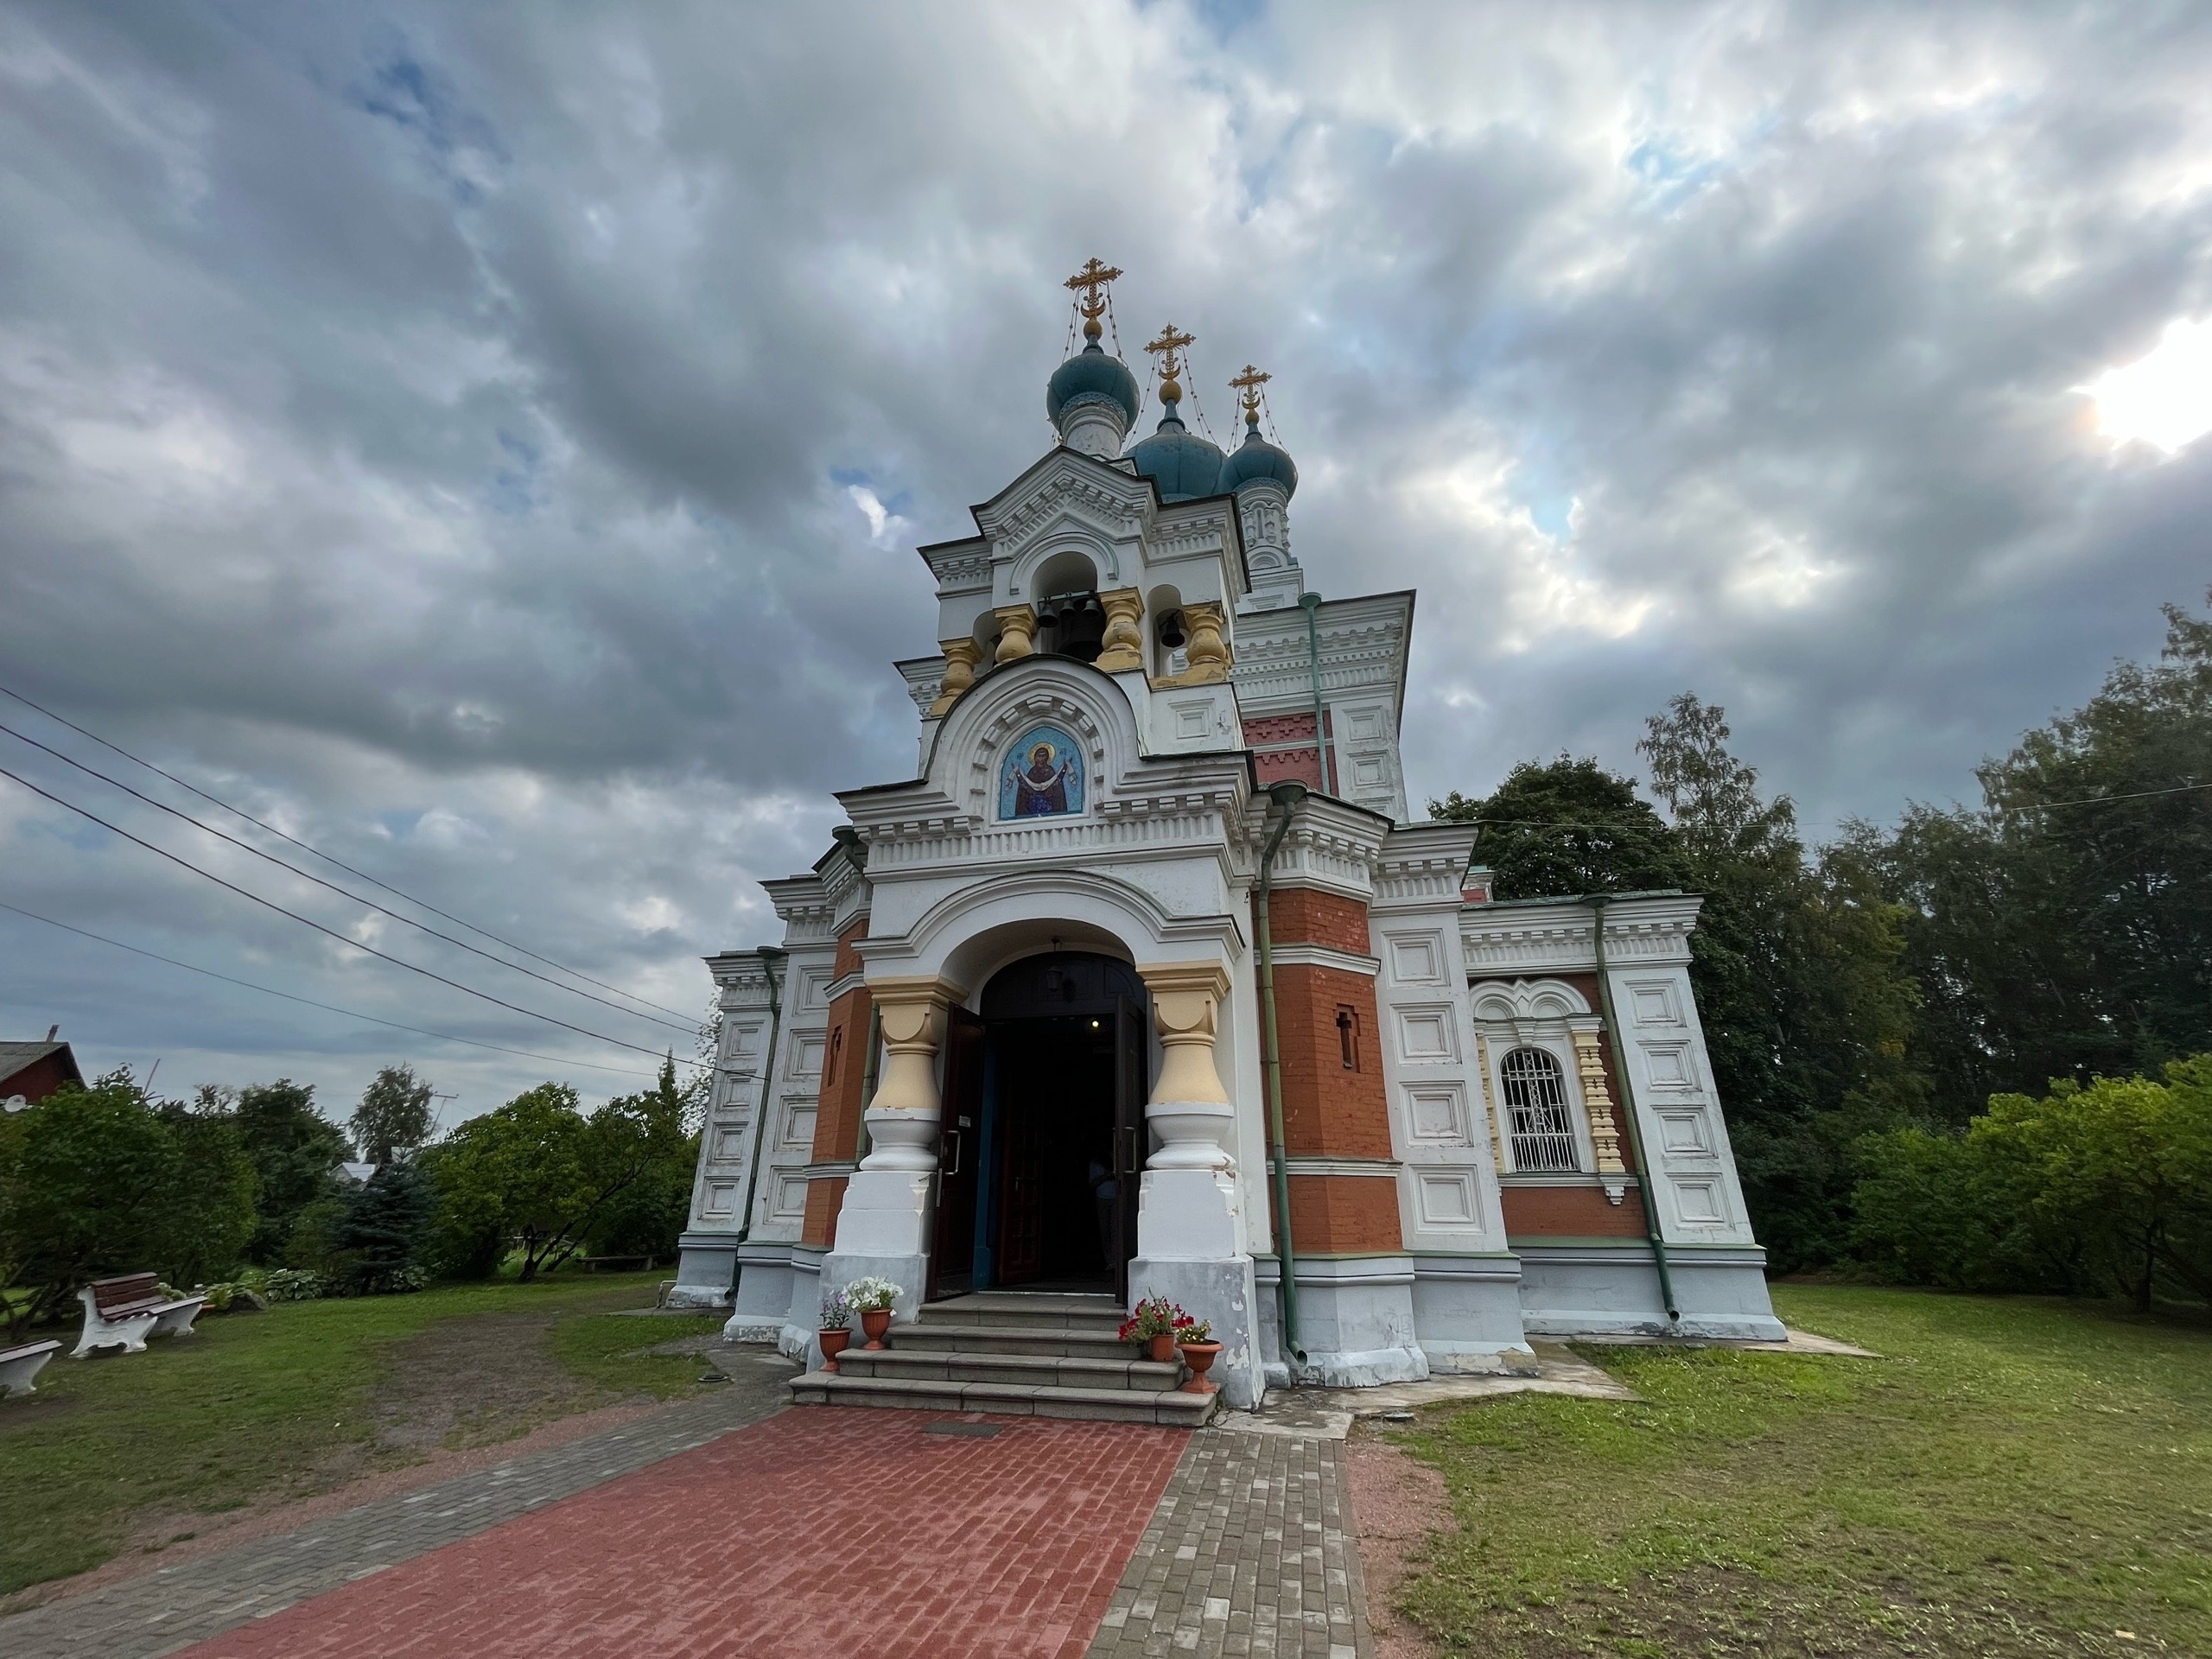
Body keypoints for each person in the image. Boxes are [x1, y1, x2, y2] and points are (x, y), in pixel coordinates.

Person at [1007, 741, 1074, 816]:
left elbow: (1056, 782)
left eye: (1044, 756)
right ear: (1035, 758)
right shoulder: (1032, 771)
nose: (1042, 759)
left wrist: (1052, 788)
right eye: (1039, 756)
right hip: (1032, 802)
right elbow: (1025, 785)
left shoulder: (1049, 770)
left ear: (1047, 757)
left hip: (1049, 803)